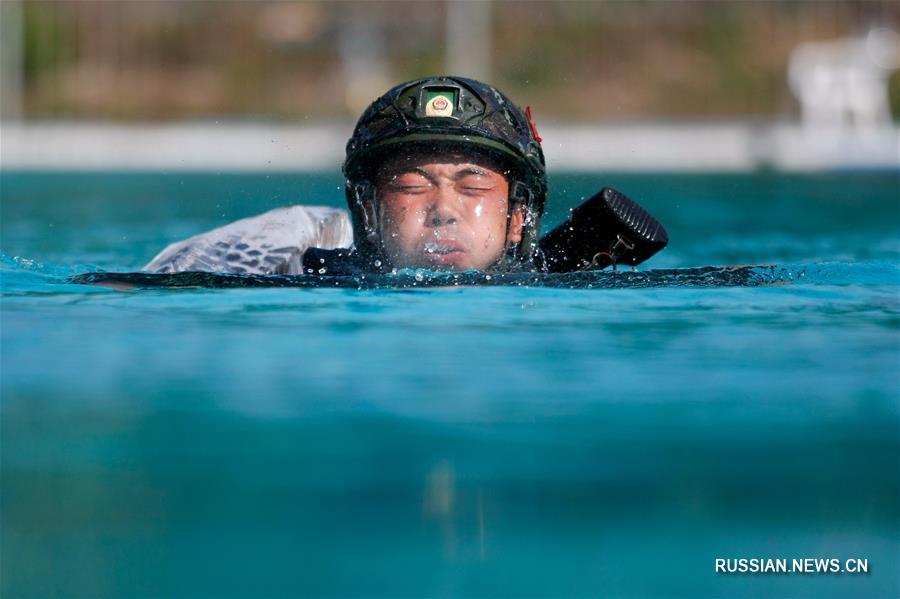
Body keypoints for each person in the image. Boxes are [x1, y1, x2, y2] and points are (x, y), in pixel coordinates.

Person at [144, 76, 547, 275]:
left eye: (472, 185)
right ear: (370, 212)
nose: (444, 211)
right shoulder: (303, 267)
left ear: (516, 218)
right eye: (411, 184)